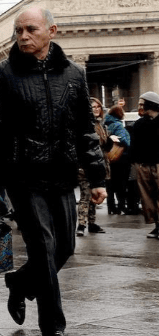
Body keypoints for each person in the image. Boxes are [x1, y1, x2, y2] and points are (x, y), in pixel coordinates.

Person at [0, 7, 106, 336]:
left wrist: (97, 178)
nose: (23, 36)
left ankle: (19, 282)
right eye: (18, 31)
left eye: (31, 29)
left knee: (65, 247)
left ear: (52, 31)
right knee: (44, 249)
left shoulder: (74, 74)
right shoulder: (1, 76)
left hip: (61, 176)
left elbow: (84, 130)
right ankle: (53, 329)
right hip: (22, 177)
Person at [76, 97, 109, 236]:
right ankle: (81, 225)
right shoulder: (85, 125)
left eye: (98, 107)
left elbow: (104, 146)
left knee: (94, 194)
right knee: (85, 194)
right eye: (93, 107)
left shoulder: (101, 125)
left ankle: (92, 222)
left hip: (98, 165)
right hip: (85, 165)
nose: (96, 109)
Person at [128, 91, 159, 238]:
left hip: (157, 164)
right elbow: (133, 146)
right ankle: (157, 225)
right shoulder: (139, 124)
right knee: (147, 198)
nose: (139, 106)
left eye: (142, 104)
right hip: (143, 165)